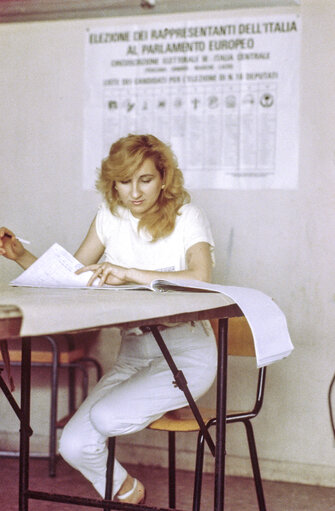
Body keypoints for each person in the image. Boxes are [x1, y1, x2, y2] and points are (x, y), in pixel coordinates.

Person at [0, 134, 217, 504]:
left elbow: (201, 277)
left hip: (186, 354)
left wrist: (129, 272)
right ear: (112, 183)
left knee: (104, 418)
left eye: (145, 179)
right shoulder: (108, 217)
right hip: (135, 353)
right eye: (124, 181)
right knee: (73, 442)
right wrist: (21, 254)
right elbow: (70, 278)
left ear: (163, 178)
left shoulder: (187, 216)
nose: (135, 192)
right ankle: (127, 490)